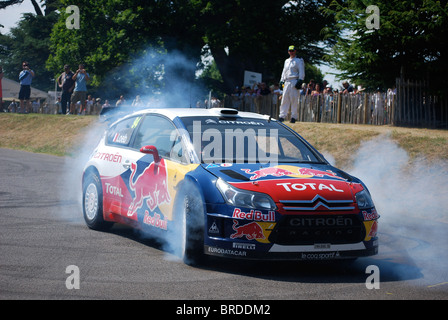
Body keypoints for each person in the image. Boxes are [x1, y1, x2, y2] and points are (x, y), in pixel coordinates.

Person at [278, 45, 305, 123]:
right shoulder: (286, 61)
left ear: (295, 51)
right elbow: (284, 72)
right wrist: (281, 80)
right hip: (286, 81)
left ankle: (294, 117)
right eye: (290, 51)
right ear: (288, 51)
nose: (291, 52)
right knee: (284, 99)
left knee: (294, 99)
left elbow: (301, 71)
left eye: (292, 51)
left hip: (294, 80)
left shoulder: (298, 60)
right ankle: (282, 116)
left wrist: (300, 80)